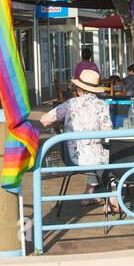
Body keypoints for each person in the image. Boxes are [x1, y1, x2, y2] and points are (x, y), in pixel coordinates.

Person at [40, 68, 115, 213]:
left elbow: (44, 120)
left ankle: (89, 194)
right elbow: (108, 132)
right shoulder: (102, 106)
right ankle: (113, 196)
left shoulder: (69, 104)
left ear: (78, 87)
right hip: (97, 157)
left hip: (72, 158)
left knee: (97, 156)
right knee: (113, 156)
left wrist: (57, 125)